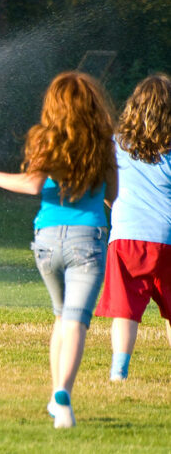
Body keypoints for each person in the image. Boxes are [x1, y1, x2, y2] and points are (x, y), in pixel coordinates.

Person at [0, 71, 117, 428]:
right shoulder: (103, 141)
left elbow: (34, 184)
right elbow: (114, 194)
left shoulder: (46, 140)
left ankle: (55, 396)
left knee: (60, 317)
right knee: (77, 321)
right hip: (88, 240)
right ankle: (63, 393)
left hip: (47, 242)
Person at [95, 73, 171, 380]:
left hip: (126, 238)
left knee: (125, 312)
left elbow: (106, 188)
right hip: (166, 239)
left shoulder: (116, 145)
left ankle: (119, 370)